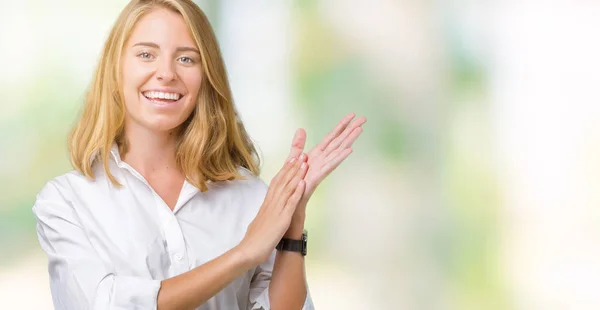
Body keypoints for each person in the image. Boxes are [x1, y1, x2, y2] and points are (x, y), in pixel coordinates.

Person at [32, 0, 366, 309]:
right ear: (115, 70)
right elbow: (104, 303)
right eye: (146, 55)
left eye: (186, 58)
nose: (167, 73)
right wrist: (242, 254)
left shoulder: (249, 196)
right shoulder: (66, 202)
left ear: (206, 77)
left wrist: (292, 226)